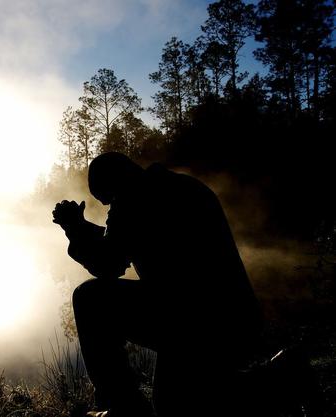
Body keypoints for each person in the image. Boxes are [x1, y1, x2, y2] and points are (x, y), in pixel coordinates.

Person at [52, 152, 263, 417]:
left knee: (89, 298)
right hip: (235, 320)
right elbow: (120, 239)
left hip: (189, 322)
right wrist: (82, 227)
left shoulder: (132, 199)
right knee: (173, 403)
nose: (109, 208)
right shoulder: (183, 186)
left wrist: (74, 228)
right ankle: (274, 377)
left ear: (116, 182)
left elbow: (109, 264)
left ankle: (122, 407)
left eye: (109, 200)